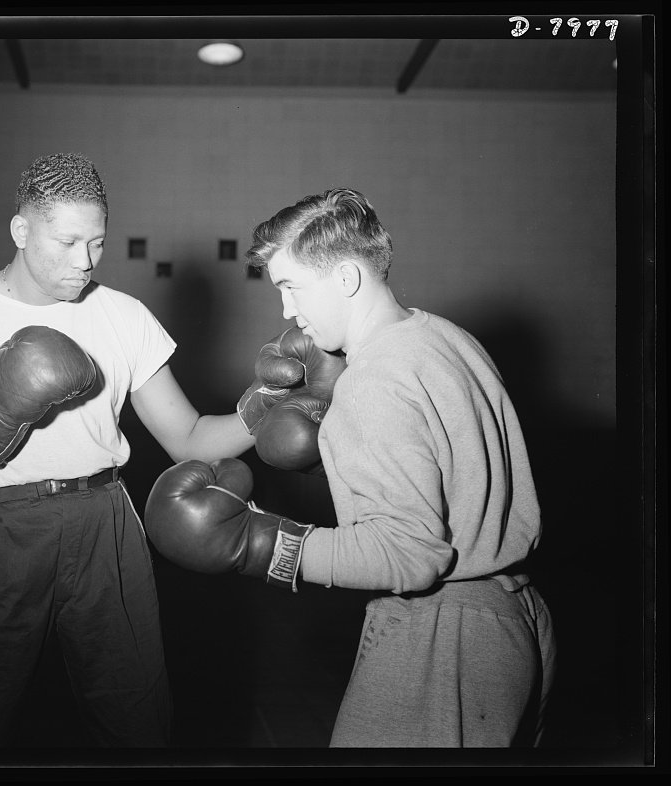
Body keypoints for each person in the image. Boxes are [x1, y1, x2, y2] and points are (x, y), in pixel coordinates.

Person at [0, 152, 334, 748]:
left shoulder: (123, 316)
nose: (84, 262)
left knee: (137, 719)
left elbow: (189, 438)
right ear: (21, 230)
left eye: (96, 243)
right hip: (0, 532)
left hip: (106, 523)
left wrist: (269, 400)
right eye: (67, 242)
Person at [144, 187, 556, 748]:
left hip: (443, 635)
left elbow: (410, 555)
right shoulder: (446, 338)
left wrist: (258, 544)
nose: (287, 311)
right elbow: (448, 476)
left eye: (291, 287)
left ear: (344, 277)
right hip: (515, 621)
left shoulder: (375, 380)